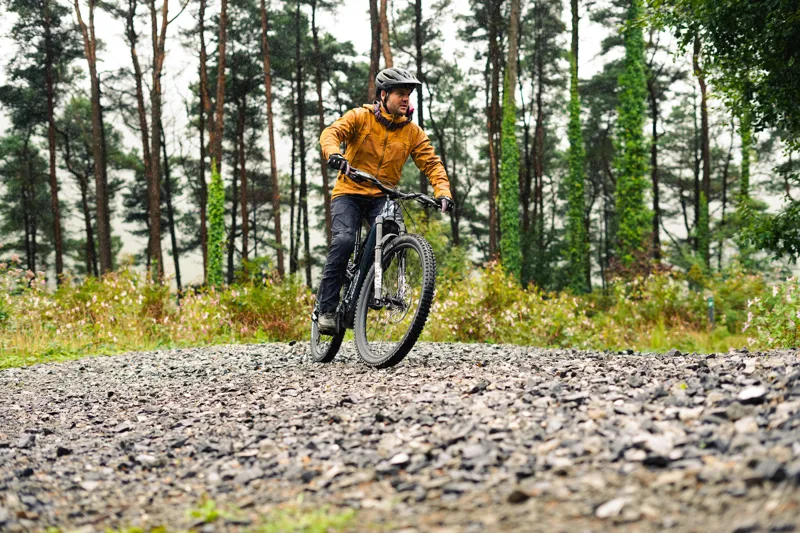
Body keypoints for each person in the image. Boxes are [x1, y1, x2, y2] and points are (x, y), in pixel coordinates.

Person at [315, 67, 454, 333]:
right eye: (401, 94)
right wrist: (334, 154)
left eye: (409, 95)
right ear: (384, 95)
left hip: (382, 195)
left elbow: (432, 163)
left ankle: (365, 282)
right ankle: (326, 308)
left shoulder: (412, 132)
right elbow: (331, 133)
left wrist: (443, 191)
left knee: (391, 230)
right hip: (349, 192)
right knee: (343, 240)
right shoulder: (360, 117)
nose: (406, 100)